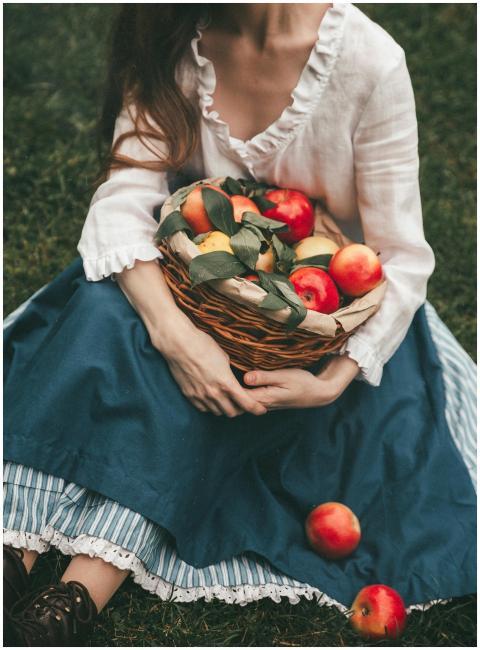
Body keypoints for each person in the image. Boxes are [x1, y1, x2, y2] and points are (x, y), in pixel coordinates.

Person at [3, 3, 476, 647]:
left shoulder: (369, 64)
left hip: (314, 323)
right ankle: (13, 546)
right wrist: (175, 335)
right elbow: (126, 193)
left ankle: (81, 591)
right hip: (190, 275)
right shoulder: (173, 31)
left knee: (228, 396)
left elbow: (402, 261)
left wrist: (331, 383)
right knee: (101, 321)